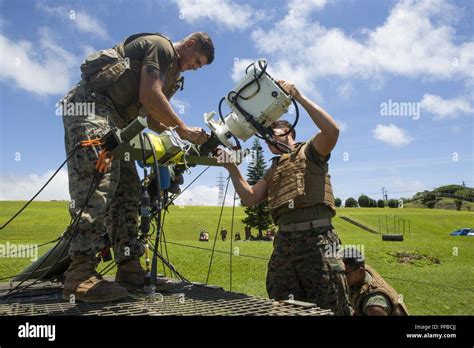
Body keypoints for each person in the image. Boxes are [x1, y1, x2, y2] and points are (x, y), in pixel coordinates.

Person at [60, 32, 214, 303]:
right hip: (92, 107)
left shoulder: (173, 75)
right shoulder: (161, 48)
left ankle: (129, 267)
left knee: (129, 189)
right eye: (197, 61)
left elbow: (154, 117)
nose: (195, 67)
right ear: (190, 44)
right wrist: (184, 129)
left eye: (199, 67)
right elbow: (150, 95)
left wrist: (183, 138)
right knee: (99, 180)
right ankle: (79, 274)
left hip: (117, 122)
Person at [219, 80, 351, 315]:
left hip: (318, 241)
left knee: (331, 304)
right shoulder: (273, 169)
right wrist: (232, 168)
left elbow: (332, 130)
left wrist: (298, 96)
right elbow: (250, 198)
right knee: (282, 306)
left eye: (274, 132)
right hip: (284, 244)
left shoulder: (310, 151)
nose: (269, 138)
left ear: (289, 132)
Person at [343, 248, 409, 316]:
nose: (341, 277)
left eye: (345, 273)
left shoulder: (374, 305)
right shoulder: (362, 272)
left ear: (360, 272)